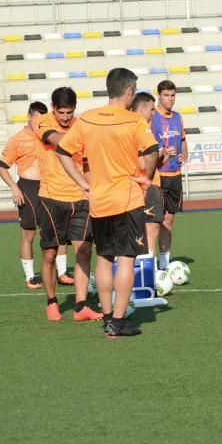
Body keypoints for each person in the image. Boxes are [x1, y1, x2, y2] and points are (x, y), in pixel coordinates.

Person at [57, 68, 159, 339]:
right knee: (126, 259)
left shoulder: (87, 119)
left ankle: (106, 316)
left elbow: (62, 151)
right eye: (134, 91)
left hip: (99, 199)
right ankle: (118, 319)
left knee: (103, 258)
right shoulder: (133, 121)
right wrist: (147, 178)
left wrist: (82, 182)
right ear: (128, 91)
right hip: (126, 198)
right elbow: (152, 150)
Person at [34, 87, 98, 322]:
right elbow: (57, 141)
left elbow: (89, 161)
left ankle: (80, 306)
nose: (65, 117)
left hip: (80, 198)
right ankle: (51, 301)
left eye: (69, 112)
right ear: (53, 108)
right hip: (51, 199)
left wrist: (90, 189)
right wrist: (83, 137)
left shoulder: (80, 124)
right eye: (61, 112)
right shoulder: (42, 122)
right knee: (49, 254)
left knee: (84, 251)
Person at [0, 101, 49, 289]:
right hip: (27, 188)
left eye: (44, 118)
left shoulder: (49, 136)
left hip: (49, 187)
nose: (40, 122)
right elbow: (1, 167)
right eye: (37, 118)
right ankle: (30, 276)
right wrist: (14, 187)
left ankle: (60, 273)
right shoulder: (18, 139)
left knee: (54, 232)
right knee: (28, 232)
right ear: (29, 116)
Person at [130, 92, 171, 260]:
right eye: (152, 109)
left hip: (133, 186)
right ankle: (148, 275)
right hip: (146, 186)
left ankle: (142, 273)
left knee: (137, 233)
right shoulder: (140, 128)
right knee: (150, 232)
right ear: (142, 108)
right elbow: (149, 155)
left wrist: (163, 157)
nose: (154, 113)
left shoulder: (131, 127)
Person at [151, 80, 188, 270]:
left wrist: (184, 155)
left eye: (173, 95)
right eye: (166, 95)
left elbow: (183, 140)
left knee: (168, 220)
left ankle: (165, 264)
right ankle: (149, 262)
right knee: (153, 221)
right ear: (159, 95)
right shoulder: (152, 117)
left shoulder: (178, 117)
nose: (170, 99)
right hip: (158, 175)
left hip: (175, 174)